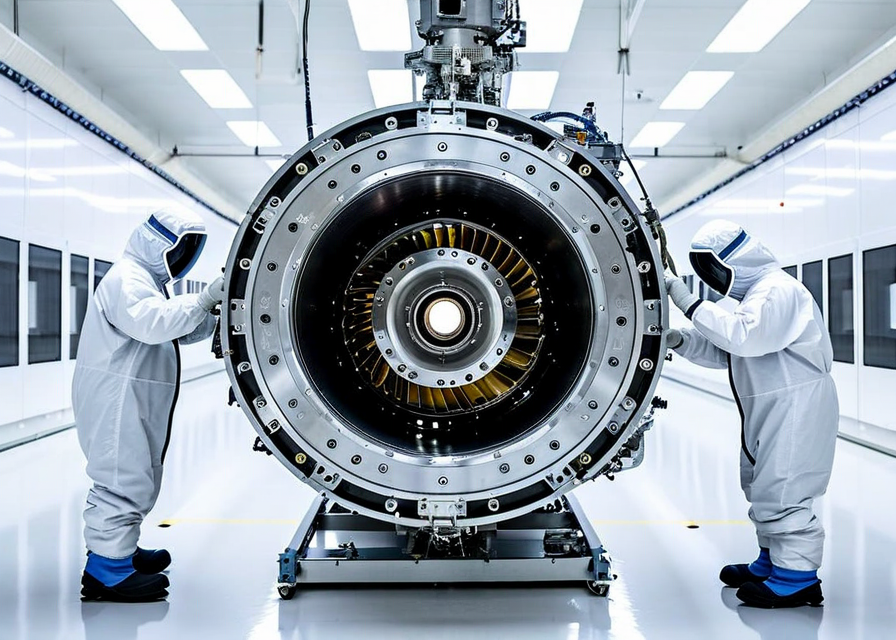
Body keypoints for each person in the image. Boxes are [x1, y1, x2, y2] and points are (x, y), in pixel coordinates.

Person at [664, 219, 838, 609]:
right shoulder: (756, 297)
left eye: (713, 268)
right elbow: (728, 350)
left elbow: (745, 337)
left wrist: (686, 300)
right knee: (761, 484)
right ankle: (771, 561)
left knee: (785, 488)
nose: (713, 278)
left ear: (735, 258)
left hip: (796, 405)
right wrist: (679, 340)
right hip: (768, 404)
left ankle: (797, 577)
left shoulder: (779, 289)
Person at [73, 210, 224, 602]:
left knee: (136, 472)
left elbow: (172, 329)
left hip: (130, 395)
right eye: (181, 246)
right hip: (117, 399)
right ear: (158, 244)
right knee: (122, 477)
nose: (182, 256)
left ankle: (119, 549)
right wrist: (205, 297)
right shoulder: (127, 277)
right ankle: (107, 569)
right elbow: (153, 323)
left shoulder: (145, 282)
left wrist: (212, 316)